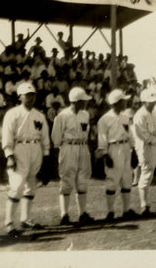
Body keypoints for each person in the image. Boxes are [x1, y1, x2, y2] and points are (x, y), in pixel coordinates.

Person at [1, 82, 51, 235]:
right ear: (20, 97)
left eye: (33, 95)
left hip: (35, 148)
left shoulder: (40, 115)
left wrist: (46, 156)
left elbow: (45, 138)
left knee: (31, 185)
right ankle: (9, 222)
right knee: (16, 185)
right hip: (19, 148)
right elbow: (7, 136)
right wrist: (9, 155)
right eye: (27, 95)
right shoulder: (13, 113)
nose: (30, 98)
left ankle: (26, 218)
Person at [51, 87, 95, 225]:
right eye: (83, 101)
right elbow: (56, 137)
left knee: (83, 179)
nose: (85, 103)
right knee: (67, 178)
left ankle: (82, 213)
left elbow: (86, 132)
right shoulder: (62, 116)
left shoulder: (85, 115)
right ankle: (64, 214)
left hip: (82, 146)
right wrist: (62, 148)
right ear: (76, 101)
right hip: (68, 147)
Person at [96, 89, 138, 221]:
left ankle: (126, 210)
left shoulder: (125, 118)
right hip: (113, 148)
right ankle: (110, 211)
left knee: (127, 178)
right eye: (123, 101)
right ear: (116, 103)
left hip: (126, 148)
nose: (125, 103)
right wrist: (105, 154)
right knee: (112, 179)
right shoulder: (104, 119)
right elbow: (102, 138)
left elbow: (130, 135)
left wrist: (134, 150)